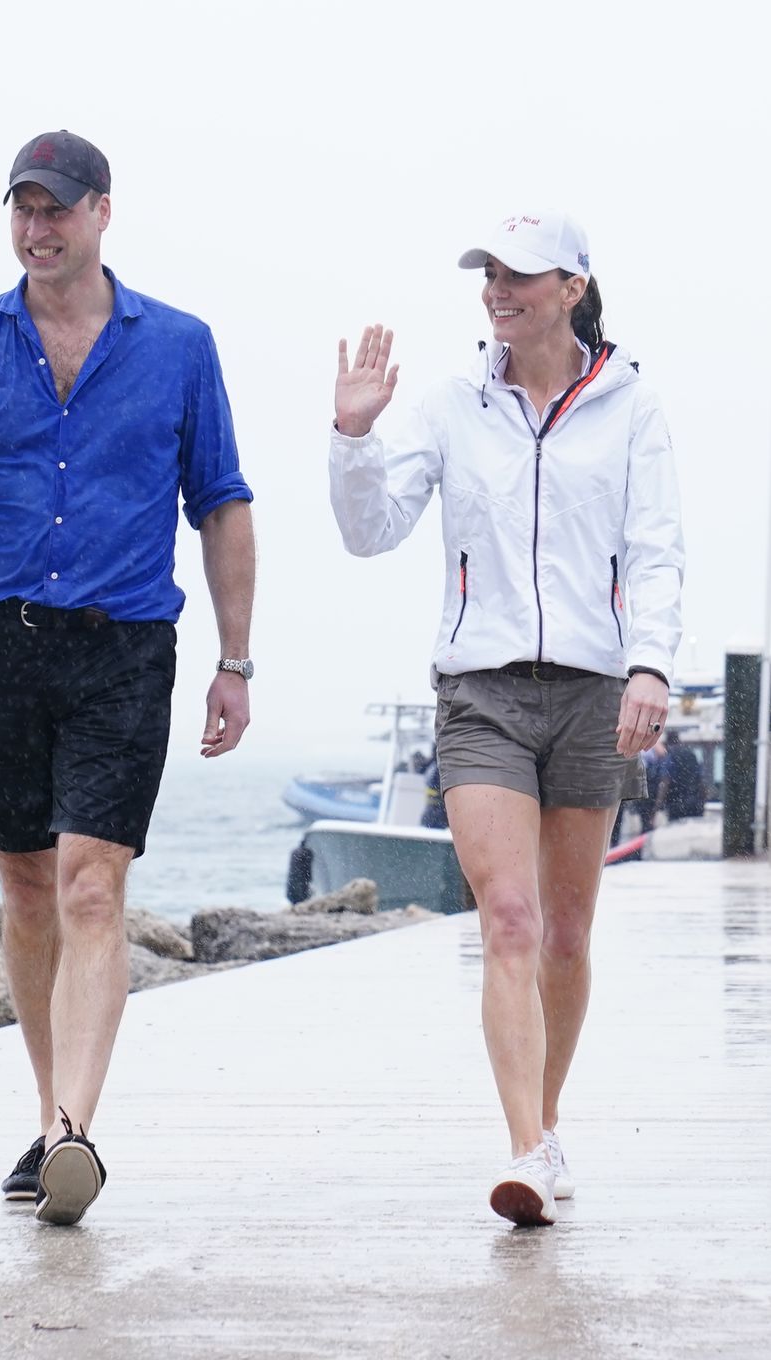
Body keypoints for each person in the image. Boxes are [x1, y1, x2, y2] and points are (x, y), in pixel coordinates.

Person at [0, 130, 255, 1227]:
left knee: (92, 883)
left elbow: (221, 503)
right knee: (28, 885)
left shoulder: (178, 345)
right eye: (22, 209)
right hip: (1, 640)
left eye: (56, 209)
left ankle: (75, 1131)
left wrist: (234, 660)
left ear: (101, 212)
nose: (37, 230)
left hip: (124, 645)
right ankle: (51, 1121)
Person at [329, 211, 683, 1226]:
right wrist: (353, 436)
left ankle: (548, 1120)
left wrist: (650, 664)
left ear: (571, 287)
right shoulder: (452, 406)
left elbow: (655, 548)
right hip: (480, 692)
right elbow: (369, 530)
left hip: (592, 692)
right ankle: (524, 1147)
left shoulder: (631, 406)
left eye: (519, 274)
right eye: (488, 272)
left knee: (567, 933)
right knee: (511, 920)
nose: (496, 289)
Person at [655, 730, 705, 821]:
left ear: (667, 743)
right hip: (695, 803)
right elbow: (701, 780)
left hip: (676, 804)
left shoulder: (670, 757)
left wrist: (658, 803)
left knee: (676, 829)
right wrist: (702, 800)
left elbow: (665, 782)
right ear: (678, 741)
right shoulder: (691, 755)